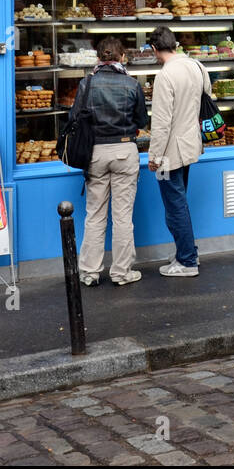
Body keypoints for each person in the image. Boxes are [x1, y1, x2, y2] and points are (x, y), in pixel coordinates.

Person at [75, 37, 150, 286]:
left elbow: (75, 118)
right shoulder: (131, 84)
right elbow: (141, 120)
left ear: (98, 58)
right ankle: (121, 272)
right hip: (124, 150)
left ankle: (90, 272)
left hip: (94, 152)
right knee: (122, 216)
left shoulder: (86, 84)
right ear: (122, 58)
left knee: (94, 215)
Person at [147, 25, 210, 278]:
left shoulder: (165, 75)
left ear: (154, 48)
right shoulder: (197, 66)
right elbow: (207, 97)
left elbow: (161, 123)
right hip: (191, 145)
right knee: (180, 201)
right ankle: (186, 251)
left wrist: (154, 157)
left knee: (175, 205)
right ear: (175, 44)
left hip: (169, 154)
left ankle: (187, 261)